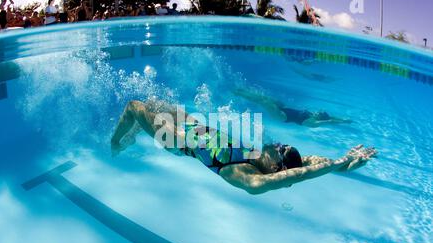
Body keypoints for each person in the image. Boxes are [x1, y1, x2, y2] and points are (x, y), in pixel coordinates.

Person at [111, 100, 376, 195]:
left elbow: (300, 174)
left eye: (281, 148)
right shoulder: (264, 157)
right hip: (195, 125)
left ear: (276, 167)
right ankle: (133, 134)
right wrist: (345, 163)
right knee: (156, 103)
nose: (277, 144)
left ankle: (114, 145)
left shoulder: (248, 176)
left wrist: (336, 164)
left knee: (135, 107)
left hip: (176, 140)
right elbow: (308, 162)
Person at [232, 88, 352, 128]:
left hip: (281, 116)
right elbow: (330, 117)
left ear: (319, 117)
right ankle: (243, 91)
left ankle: (238, 93)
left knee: (264, 101)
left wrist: (341, 122)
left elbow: (329, 121)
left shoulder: (312, 122)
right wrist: (344, 120)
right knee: (267, 98)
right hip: (284, 109)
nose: (317, 111)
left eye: (319, 112)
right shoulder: (314, 115)